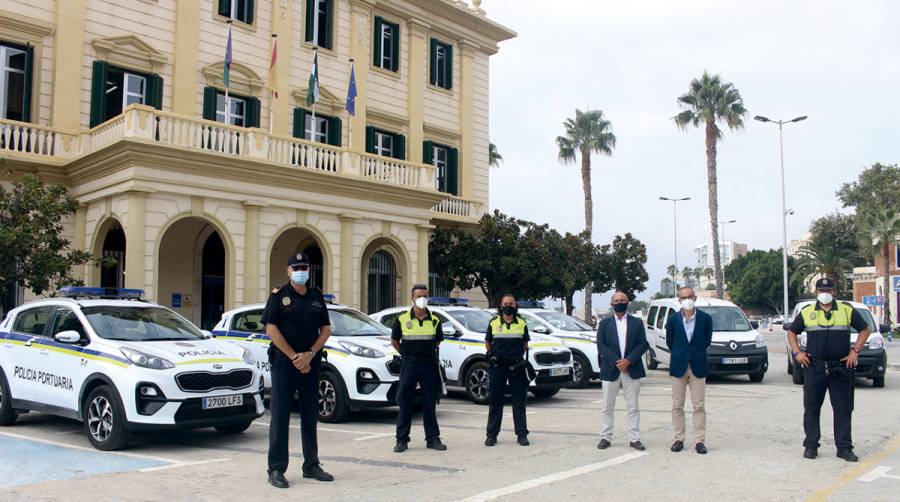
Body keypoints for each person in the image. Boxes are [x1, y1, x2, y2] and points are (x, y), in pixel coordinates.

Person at [262, 253, 334, 488]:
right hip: (285, 362)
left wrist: (310, 354)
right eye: (297, 267)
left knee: (310, 414)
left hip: (310, 361)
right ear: (288, 271)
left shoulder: (315, 296)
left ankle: (311, 465)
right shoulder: (279, 296)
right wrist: (295, 357)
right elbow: (271, 329)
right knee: (281, 415)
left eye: (304, 267)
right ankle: (276, 468)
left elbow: (325, 329)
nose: (302, 270)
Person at [787, 277, 870, 462]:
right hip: (814, 367)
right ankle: (811, 445)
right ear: (816, 292)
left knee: (843, 408)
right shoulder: (807, 312)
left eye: (829, 290)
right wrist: (797, 353)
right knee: (811, 407)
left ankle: (844, 447)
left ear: (834, 292)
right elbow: (792, 332)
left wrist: (855, 351)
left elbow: (865, 330)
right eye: (822, 290)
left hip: (840, 367)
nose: (825, 294)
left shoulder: (846, 310)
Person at [391, 284, 446, 452]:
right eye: (419, 296)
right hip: (409, 364)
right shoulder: (402, 319)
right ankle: (402, 440)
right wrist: (407, 354)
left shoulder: (435, 319)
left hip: (428, 364)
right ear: (412, 299)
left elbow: (437, 341)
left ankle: (432, 438)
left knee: (430, 402)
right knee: (405, 402)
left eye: (425, 296)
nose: (422, 299)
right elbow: (395, 341)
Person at [596, 292, 648, 451]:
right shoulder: (604, 324)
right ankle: (606, 436)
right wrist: (617, 362)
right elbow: (601, 345)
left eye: (622, 300)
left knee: (633, 406)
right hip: (611, 368)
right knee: (607, 405)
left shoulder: (637, 323)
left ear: (628, 303)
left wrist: (628, 360)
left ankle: (634, 438)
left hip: (631, 368)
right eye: (616, 301)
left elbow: (642, 344)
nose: (619, 303)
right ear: (611, 304)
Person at [665, 286, 712, 454]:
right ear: (679, 300)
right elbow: (670, 342)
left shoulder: (705, 319)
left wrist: (694, 354)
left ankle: (699, 440)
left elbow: (707, 341)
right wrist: (681, 354)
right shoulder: (672, 320)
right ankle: (679, 439)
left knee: (699, 405)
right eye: (684, 297)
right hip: (678, 366)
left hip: (698, 365)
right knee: (677, 405)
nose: (687, 300)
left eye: (690, 296)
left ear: (695, 298)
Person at [484, 294, 530, 446]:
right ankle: (492, 435)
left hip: (516, 366)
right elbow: (488, 342)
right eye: (506, 303)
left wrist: (516, 357)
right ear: (501, 306)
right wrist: (494, 355)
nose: (508, 305)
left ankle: (522, 434)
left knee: (519, 401)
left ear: (515, 306)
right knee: (496, 401)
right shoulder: (494, 322)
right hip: (498, 366)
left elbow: (525, 344)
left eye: (511, 303)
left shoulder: (522, 323)